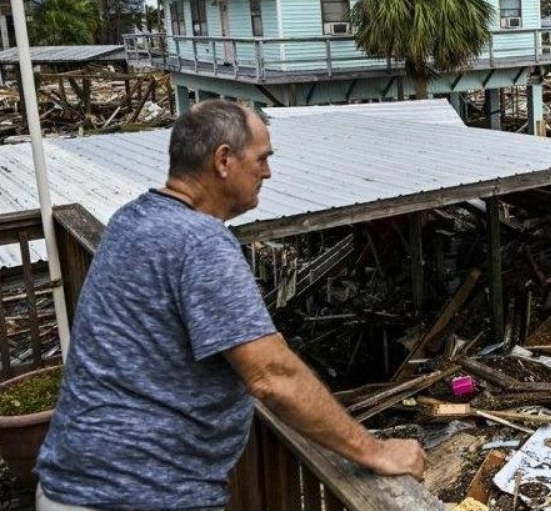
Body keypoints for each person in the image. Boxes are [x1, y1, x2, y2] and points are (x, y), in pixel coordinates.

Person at [35, 99, 426, 512]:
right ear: (224, 160)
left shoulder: (131, 219)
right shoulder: (200, 241)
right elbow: (272, 375)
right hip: (139, 495)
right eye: (261, 159)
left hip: (71, 482)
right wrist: (374, 451)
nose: (268, 172)